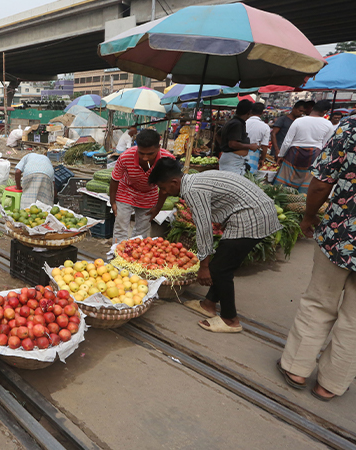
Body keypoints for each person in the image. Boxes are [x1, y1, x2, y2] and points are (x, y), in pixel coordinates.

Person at [149, 158, 282, 333]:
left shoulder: (192, 190)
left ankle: (230, 319)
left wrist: (204, 266)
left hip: (251, 217)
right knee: (222, 262)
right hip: (255, 211)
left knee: (220, 269)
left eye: (164, 188)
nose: (164, 192)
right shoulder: (193, 181)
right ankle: (208, 304)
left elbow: (203, 229)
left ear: (174, 182)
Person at [277, 115, 356, 401]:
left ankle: (296, 368)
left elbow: (322, 182)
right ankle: (331, 384)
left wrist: (309, 217)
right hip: (343, 236)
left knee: (319, 302)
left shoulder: (351, 126)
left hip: (342, 235)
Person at [109, 129, 174, 244]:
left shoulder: (167, 160)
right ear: (136, 147)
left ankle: (134, 258)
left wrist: (158, 207)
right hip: (126, 191)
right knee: (120, 228)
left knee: (141, 232)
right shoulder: (125, 157)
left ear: (159, 147)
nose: (145, 158)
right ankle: (116, 257)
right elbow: (115, 179)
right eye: (141, 153)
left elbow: (165, 187)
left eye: (150, 154)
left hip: (149, 194)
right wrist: (113, 201)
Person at [275, 100, 334, 193]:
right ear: (325, 111)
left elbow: (287, 141)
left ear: (312, 109)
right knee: (307, 182)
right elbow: (326, 145)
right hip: (314, 154)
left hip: (294, 153)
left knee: (284, 181)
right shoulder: (328, 124)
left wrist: (281, 155)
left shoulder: (299, 121)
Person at [217, 100, 260, 175]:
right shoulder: (237, 124)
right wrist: (250, 146)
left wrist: (224, 146)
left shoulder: (233, 122)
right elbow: (232, 144)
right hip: (232, 161)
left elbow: (218, 134)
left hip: (232, 160)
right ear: (249, 112)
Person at [244, 102, 271, 173]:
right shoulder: (265, 127)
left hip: (240, 151)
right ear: (262, 113)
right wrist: (262, 159)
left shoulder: (244, 122)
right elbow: (265, 146)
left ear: (250, 111)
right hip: (254, 153)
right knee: (250, 176)